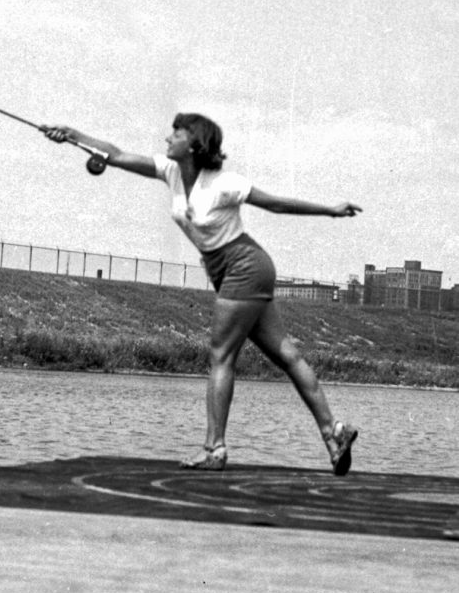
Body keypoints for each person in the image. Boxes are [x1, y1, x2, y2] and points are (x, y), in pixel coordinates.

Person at [43, 113, 362, 476]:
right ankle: (334, 432)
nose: (168, 138)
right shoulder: (171, 171)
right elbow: (114, 155)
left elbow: (275, 204)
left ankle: (215, 448)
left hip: (244, 265)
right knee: (286, 354)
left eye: (176, 133)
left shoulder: (224, 183)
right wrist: (71, 134)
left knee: (221, 356)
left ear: (195, 144)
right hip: (229, 269)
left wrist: (331, 211)